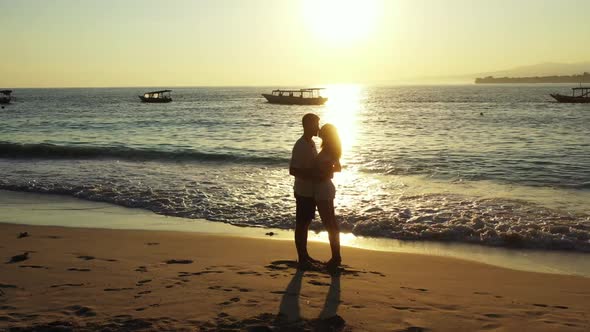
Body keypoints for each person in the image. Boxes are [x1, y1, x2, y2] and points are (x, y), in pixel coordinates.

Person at [289, 113, 321, 268]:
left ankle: (305, 254)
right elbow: (293, 170)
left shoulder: (312, 143)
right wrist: (311, 175)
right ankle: (301, 257)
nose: (318, 128)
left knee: (306, 223)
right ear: (308, 125)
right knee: (301, 224)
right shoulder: (300, 145)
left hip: (311, 190)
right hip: (303, 190)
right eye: (316, 124)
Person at [314, 124, 342, 268]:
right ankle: (336, 256)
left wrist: (321, 174)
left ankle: (336, 257)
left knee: (329, 223)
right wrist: (327, 172)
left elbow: (335, 169)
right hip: (327, 187)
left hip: (323, 188)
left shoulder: (328, 150)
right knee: (332, 223)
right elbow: (337, 167)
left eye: (322, 131)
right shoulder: (332, 149)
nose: (319, 132)